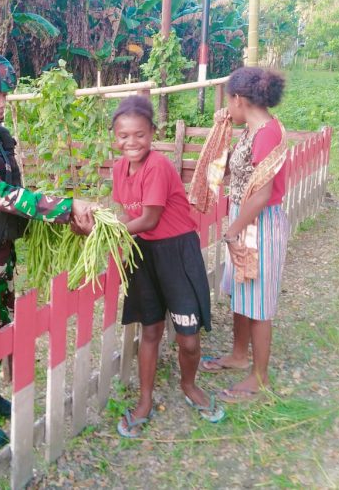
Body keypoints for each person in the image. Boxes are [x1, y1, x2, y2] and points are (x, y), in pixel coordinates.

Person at [0, 49, 94, 447]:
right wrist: (63, 208)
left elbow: (17, 192)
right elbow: (2, 195)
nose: (2, 102)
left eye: (4, 96)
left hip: (1, 252)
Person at [103, 95, 224, 438]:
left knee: (188, 337)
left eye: (139, 134)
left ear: (153, 133)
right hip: (144, 253)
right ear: (115, 136)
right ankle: (144, 400)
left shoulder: (158, 166)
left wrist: (105, 232)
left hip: (176, 252)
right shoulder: (118, 169)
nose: (131, 142)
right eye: (124, 135)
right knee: (150, 331)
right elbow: (129, 214)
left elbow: (150, 218)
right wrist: (123, 242)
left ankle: (189, 385)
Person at [199, 67, 289, 404]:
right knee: (241, 290)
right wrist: (220, 126)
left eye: (228, 103)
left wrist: (234, 230)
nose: (227, 109)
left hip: (259, 224)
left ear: (239, 99)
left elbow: (263, 194)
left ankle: (259, 376)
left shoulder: (267, 133)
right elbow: (226, 170)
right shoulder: (250, 129)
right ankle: (239, 354)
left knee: (259, 301)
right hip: (245, 218)